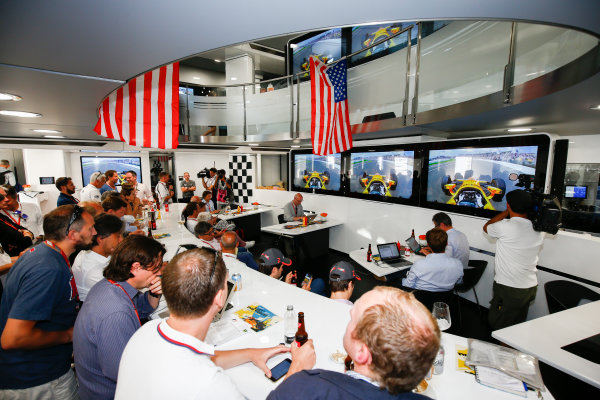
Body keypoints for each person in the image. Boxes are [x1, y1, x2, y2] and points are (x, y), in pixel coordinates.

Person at [114, 247, 303, 399]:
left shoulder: (145, 331)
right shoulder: (211, 385)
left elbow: (199, 357)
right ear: (220, 298)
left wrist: (250, 353)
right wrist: (297, 371)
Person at [267, 287, 440, 400]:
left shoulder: (308, 386)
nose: (350, 311)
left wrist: (297, 367)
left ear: (362, 354)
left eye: (354, 318)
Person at [0, 205, 96, 398]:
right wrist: (69, 335)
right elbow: (13, 338)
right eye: (91, 228)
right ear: (73, 234)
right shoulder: (47, 269)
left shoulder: (45, 254)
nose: (95, 232)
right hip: (38, 380)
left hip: (43, 372)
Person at [73, 235, 165, 400]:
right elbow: (122, 373)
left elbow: (139, 309)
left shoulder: (111, 285)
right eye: (156, 268)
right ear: (136, 267)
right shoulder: (116, 313)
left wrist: (154, 293)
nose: (159, 273)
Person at [483, 190, 544, 330]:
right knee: (515, 326)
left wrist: (505, 212)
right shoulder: (539, 228)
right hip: (529, 287)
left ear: (508, 205)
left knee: (499, 324)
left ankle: (502, 351)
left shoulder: (505, 226)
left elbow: (486, 227)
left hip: (509, 288)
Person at [72, 213, 124, 301]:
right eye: (117, 236)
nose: (121, 240)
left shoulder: (89, 253)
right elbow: (122, 295)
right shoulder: (94, 272)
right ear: (100, 239)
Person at [258, 248, 326, 295]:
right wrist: (304, 293)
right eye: (282, 266)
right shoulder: (273, 290)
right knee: (320, 282)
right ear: (274, 270)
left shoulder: (262, 281)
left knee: (321, 292)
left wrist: (288, 285)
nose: (282, 269)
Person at [0, 190, 34, 257]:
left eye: (5, 196)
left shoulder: (1, 216)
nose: (6, 199)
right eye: (2, 197)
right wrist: (27, 235)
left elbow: (24, 230)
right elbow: (25, 242)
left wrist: (26, 234)